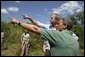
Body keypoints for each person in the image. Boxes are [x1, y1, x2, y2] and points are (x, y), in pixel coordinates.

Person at [9, 17, 79, 56]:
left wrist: (18, 22)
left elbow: (35, 28)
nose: (56, 25)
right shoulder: (75, 41)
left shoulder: (57, 34)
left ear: (65, 26)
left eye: (58, 24)